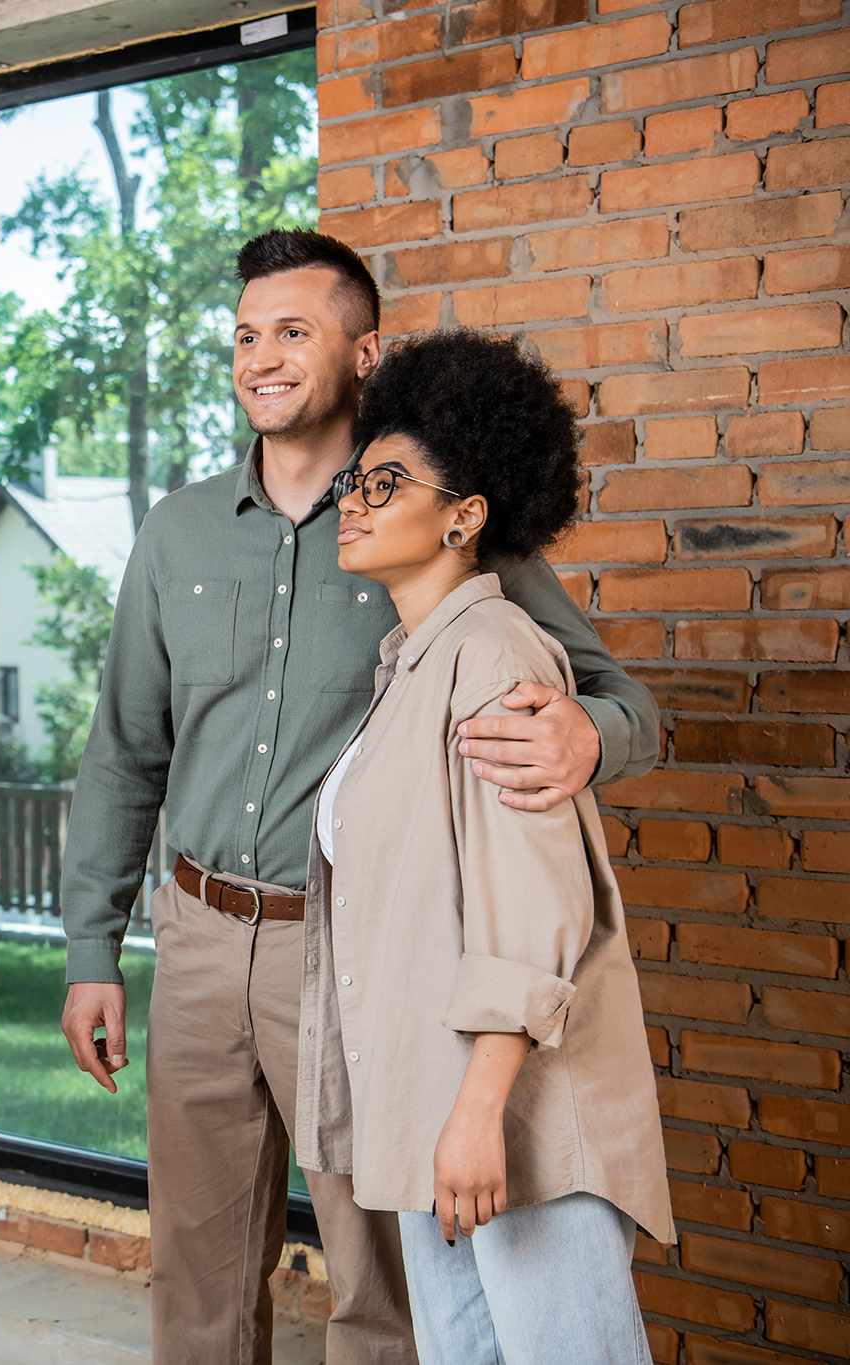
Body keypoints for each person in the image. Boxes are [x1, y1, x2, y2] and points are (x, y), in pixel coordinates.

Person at [56, 231, 661, 1365]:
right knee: (193, 1261)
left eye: (294, 330)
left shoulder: (431, 514)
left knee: (380, 1270)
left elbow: (612, 695)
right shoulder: (175, 532)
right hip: (193, 938)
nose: (261, 356)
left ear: (364, 350)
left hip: (349, 956)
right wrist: (94, 948)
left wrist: (590, 731)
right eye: (244, 334)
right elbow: (123, 752)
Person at [296, 329, 673, 1363]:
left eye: (388, 482)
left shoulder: (495, 650)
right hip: (438, 1102)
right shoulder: (413, 661)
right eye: (352, 482)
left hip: (501, 1112)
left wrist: (474, 1114)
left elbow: (531, 907)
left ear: (465, 515)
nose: (356, 500)